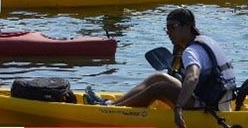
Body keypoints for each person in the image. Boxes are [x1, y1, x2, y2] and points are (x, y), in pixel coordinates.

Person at [84, 8, 237, 128]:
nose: (169, 32)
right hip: (218, 97)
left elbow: (193, 77)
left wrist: (178, 108)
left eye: (173, 27)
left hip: (208, 104)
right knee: (159, 77)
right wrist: (177, 51)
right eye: (167, 28)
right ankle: (111, 105)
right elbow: (181, 73)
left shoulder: (191, 51)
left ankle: (111, 112)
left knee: (159, 88)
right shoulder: (203, 40)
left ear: (188, 27)